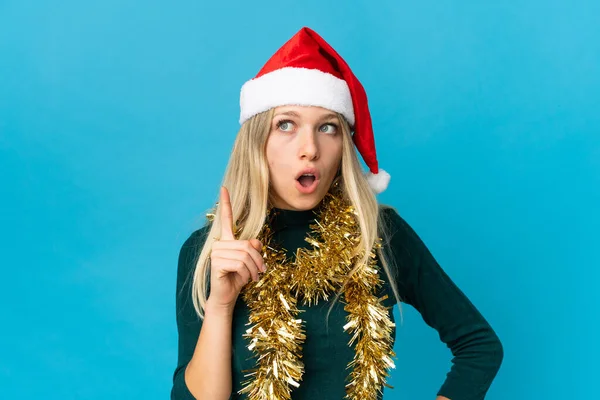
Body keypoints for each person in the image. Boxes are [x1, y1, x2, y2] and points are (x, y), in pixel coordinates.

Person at [170, 27, 504, 400]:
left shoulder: (378, 233)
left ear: (342, 144)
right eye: (286, 125)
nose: (310, 148)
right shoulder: (212, 250)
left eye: (327, 127)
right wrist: (221, 304)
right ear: (257, 143)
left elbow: (480, 346)